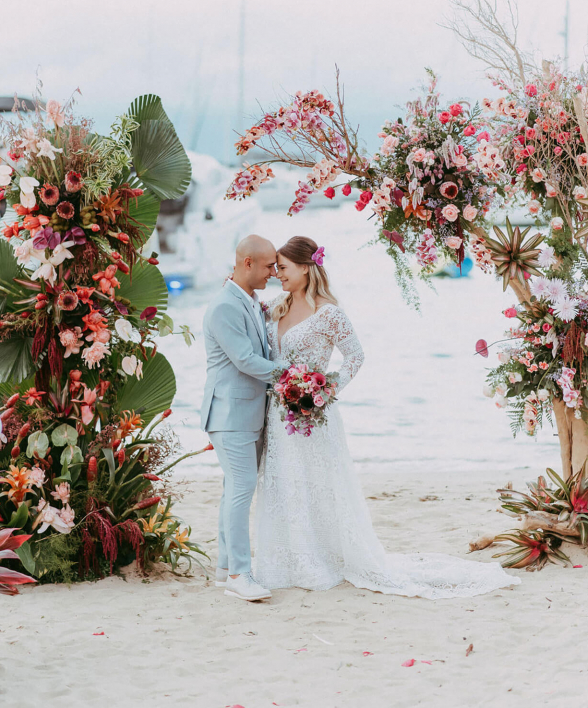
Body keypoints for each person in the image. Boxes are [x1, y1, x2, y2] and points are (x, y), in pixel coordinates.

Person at [253, 235, 520, 599]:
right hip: (280, 418)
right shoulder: (275, 307)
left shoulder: (328, 312)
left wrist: (325, 392)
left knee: (318, 485)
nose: (278, 275)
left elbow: (355, 357)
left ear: (304, 267)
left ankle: (325, 556)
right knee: (286, 485)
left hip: (314, 418)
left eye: (283, 268)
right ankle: (290, 559)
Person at [201, 234, 286, 601]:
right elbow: (246, 361)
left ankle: (224, 567)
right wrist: (293, 376)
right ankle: (239, 573)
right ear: (247, 262)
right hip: (230, 414)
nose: (274, 272)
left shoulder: (251, 301)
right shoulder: (224, 307)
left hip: (249, 413)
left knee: (232, 490)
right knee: (241, 491)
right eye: (269, 265)